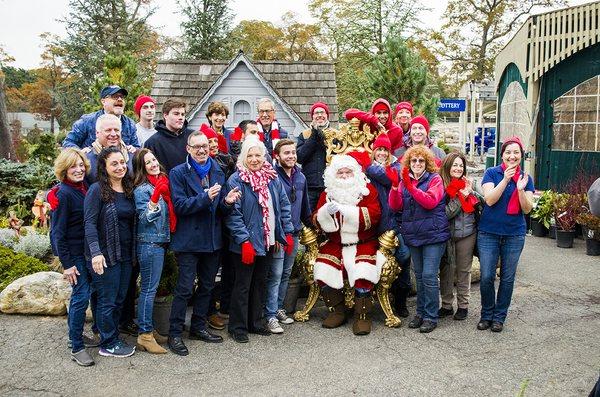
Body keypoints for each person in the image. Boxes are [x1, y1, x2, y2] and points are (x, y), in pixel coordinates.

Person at [167, 131, 241, 356]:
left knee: (208, 286)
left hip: (212, 240)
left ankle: (198, 327)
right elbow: (179, 205)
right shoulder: (178, 173)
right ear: (188, 149)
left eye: (205, 147)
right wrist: (205, 197)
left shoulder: (217, 170)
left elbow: (220, 208)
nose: (201, 150)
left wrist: (227, 202)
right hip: (189, 240)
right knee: (185, 288)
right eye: (196, 147)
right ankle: (175, 333)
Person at [225, 137, 294, 343]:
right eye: (250, 155)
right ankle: (237, 326)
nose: (254, 160)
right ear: (244, 157)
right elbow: (233, 214)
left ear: (264, 157)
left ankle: (255, 322)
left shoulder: (272, 178)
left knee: (260, 283)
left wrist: (287, 232)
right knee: (243, 285)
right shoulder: (236, 180)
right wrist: (244, 240)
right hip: (246, 243)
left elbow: (283, 206)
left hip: (267, 240)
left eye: (258, 155)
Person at [313, 151, 382, 335]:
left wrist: (347, 211)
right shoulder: (327, 194)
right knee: (321, 270)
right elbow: (316, 220)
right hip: (335, 244)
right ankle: (338, 310)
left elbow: (374, 215)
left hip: (363, 242)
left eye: (348, 173)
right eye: (340, 173)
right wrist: (325, 213)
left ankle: (362, 316)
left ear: (355, 174)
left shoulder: (367, 190)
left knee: (362, 273)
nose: (344, 176)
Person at [389, 145, 450, 333]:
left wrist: (409, 186)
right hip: (414, 235)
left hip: (433, 235)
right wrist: (394, 186)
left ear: (427, 163)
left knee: (430, 276)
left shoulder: (435, 179)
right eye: (413, 160)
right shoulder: (404, 180)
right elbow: (395, 206)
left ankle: (431, 316)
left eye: (421, 160)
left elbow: (430, 201)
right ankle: (421, 312)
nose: (417, 163)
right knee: (421, 276)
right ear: (408, 162)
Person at [477, 136, 534, 333]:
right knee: (486, 277)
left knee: (508, 278)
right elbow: (490, 200)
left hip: (514, 235)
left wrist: (519, 189)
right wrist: (507, 179)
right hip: (488, 233)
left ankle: (499, 317)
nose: (512, 156)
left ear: (521, 156)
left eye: (516, 152)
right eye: (508, 152)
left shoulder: (526, 179)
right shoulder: (492, 173)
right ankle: (486, 314)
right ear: (502, 155)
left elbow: (527, 209)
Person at [84, 146, 136, 357]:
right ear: (104, 167)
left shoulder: (129, 187)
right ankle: (108, 344)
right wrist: (95, 253)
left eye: (122, 162)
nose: (120, 167)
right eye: (114, 163)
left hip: (124, 254)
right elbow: (89, 223)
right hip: (104, 256)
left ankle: (109, 333)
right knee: (108, 299)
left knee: (120, 298)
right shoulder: (97, 190)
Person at [50, 148, 95, 366]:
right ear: (64, 169)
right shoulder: (63, 193)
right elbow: (57, 233)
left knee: (86, 292)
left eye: (80, 165)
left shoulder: (83, 186)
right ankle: (77, 346)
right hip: (73, 254)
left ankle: (74, 335)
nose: (78, 170)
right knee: (81, 295)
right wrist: (67, 265)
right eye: (72, 166)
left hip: (87, 252)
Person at [132, 148, 177, 354]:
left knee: (152, 288)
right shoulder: (143, 189)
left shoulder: (160, 183)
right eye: (148, 162)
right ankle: (144, 335)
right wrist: (154, 198)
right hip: (149, 244)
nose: (153, 164)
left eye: (154, 160)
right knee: (148, 291)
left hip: (160, 242)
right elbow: (143, 219)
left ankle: (149, 329)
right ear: (141, 167)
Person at [265, 139, 312, 334]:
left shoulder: (301, 177)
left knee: (286, 272)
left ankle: (279, 308)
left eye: (293, 152)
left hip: (294, 232)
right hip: (278, 235)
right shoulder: (272, 177)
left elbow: (305, 207)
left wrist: (311, 225)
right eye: (286, 153)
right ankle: (269, 315)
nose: (291, 156)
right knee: (274, 274)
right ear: (277, 156)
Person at [364, 134, 412, 317]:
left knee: (404, 257)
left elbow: (388, 177)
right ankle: (371, 298)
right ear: (374, 151)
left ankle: (400, 298)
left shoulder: (396, 167)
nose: (382, 153)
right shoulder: (368, 171)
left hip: (395, 223)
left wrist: (370, 167)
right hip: (375, 224)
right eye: (379, 149)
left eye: (385, 150)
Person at [438, 152, 483, 321]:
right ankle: (447, 305)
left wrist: (471, 193)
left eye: (461, 165)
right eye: (455, 165)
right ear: (448, 167)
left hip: (468, 233)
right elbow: (445, 214)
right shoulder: (441, 186)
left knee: (464, 270)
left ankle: (463, 305)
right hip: (447, 235)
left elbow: (482, 203)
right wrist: (461, 196)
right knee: (447, 270)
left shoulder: (470, 184)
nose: (458, 168)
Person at [63, 85, 139, 150]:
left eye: (122, 97)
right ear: (103, 101)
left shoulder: (130, 124)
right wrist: (80, 154)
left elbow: (136, 148)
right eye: (115, 97)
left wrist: (134, 149)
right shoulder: (87, 121)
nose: (119, 99)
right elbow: (68, 143)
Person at [144, 98, 194, 174]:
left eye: (183, 114)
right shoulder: (152, 143)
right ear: (165, 115)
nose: (181, 117)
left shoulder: (193, 136)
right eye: (176, 114)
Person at [296, 102, 330, 211]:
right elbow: (300, 157)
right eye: (316, 113)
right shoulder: (305, 135)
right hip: (310, 186)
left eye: (322, 112)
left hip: (329, 186)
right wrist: (314, 136)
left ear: (327, 115)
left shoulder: (335, 134)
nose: (319, 115)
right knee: (309, 219)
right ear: (312, 117)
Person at [84, 114, 135, 185]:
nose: (113, 134)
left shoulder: (132, 155)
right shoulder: (86, 159)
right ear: (97, 133)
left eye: (116, 130)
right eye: (108, 130)